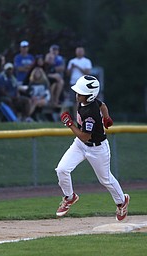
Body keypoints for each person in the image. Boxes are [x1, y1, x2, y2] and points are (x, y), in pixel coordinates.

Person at [55, 75, 129, 222]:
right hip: (80, 145)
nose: (77, 95)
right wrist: (107, 117)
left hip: (97, 149)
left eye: (80, 93)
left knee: (105, 180)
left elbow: (84, 136)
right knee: (62, 169)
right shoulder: (89, 102)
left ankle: (122, 201)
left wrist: (69, 124)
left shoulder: (91, 114)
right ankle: (70, 197)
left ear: (89, 96)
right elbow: (103, 105)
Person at [66, 46, 92, 114]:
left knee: (84, 101)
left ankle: (84, 115)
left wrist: (77, 67)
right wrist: (71, 68)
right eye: (78, 51)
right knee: (75, 101)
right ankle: (76, 117)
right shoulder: (72, 61)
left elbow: (88, 72)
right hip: (73, 83)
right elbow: (68, 73)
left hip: (83, 84)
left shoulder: (87, 61)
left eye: (81, 51)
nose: (79, 52)